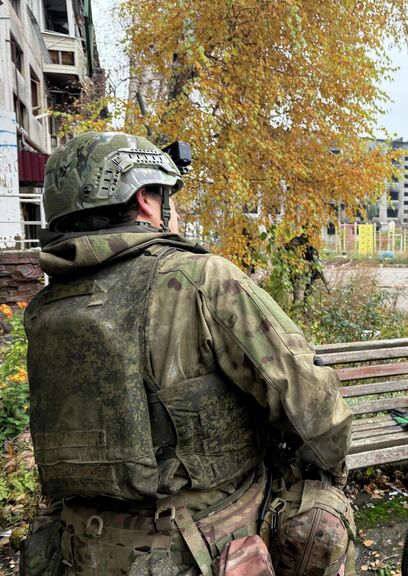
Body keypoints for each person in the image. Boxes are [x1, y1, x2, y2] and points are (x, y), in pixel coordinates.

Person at [20, 132, 355, 576]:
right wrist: (328, 467)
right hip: (202, 548)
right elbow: (314, 409)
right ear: (144, 200)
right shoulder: (199, 279)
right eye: (169, 198)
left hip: (74, 550)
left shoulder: (46, 308)